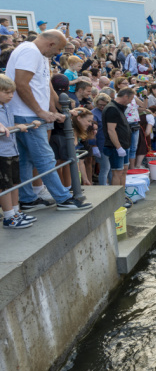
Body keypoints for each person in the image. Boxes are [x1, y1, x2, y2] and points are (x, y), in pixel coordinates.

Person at [6, 31, 92, 211]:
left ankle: (27, 199)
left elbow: (46, 87)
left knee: (27, 159)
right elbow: (21, 84)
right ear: (51, 44)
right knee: (45, 157)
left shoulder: (41, 55)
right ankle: (63, 199)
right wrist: (40, 112)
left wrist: (55, 111)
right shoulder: (30, 51)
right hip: (26, 114)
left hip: (32, 114)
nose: (58, 53)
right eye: (59, 49)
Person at [0, 74, 38, 228]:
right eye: (6, 92)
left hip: (11, 149)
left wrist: (26, 124)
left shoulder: (6, 107)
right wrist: (17, 127)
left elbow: (8, 124)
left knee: (15, 182)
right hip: (2, 152)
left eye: (12, 92)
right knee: (4, 185)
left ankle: (16, 211)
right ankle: (8, 216)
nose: (10, 95)